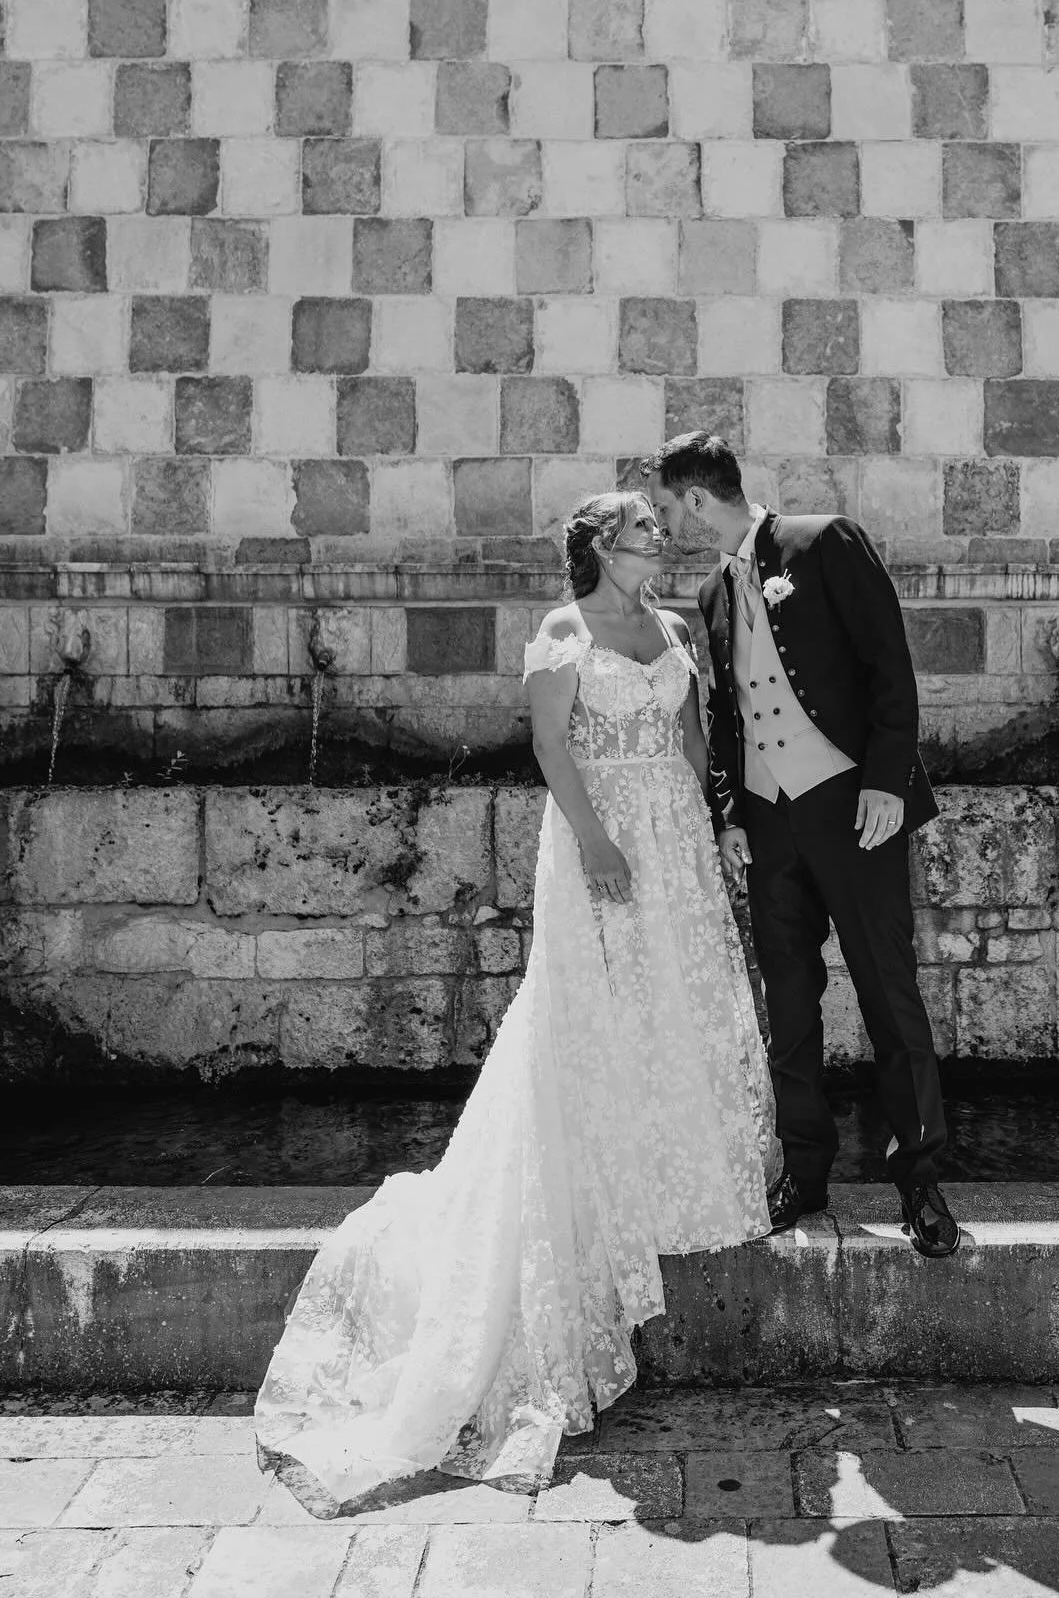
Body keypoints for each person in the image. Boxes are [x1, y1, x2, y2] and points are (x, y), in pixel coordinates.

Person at [253, 491, 778, 1515]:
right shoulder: (561, 633)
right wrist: (592, 840)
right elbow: (551, 749)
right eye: (641, 534)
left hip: (670, 833)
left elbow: (693, 745)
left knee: (674, 998)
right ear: (599, 547)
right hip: (598, 834)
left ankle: (672, 1171)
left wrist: (710, 827)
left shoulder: (672, 631)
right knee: (588, 1012)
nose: (657, 544)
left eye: (658, 534)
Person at [646, 433, 959, 1259]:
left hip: (856, 809)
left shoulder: (824, 543)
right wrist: (729, 814)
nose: (667, 524)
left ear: (699, 497)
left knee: (890, 995)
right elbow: (725, 718)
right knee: (788, 1006)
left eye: (670, 507)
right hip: (769, 822)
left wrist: (886, 784)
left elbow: (890, 666)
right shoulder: (712, 590)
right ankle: (805, 1171)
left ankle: (921, 1181)